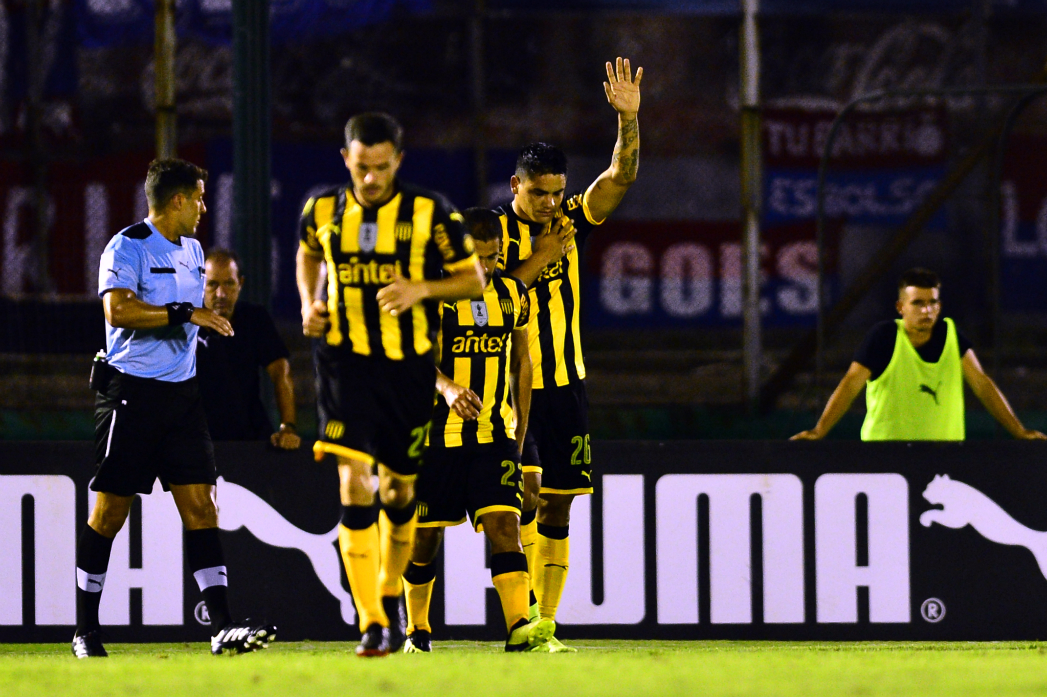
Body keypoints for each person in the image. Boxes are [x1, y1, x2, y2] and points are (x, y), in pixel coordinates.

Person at [296, 112, 484, 657]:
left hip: (407, 369)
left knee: (399, 491)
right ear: (345, 160)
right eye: (361, 167)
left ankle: (387, 595)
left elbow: (473, 278)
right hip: (343, 361)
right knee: (354, 481)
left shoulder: (432, 212)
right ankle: (372, 621)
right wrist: (310, 301)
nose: (371, 179)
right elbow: (308, 253)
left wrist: (419, 289)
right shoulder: (323, 209)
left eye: (381, 168)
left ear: (398, 161)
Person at [74, 159, 276, 659]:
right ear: (178, 200)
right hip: (131, 397)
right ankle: (85, 630)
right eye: (201, 199)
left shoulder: (193, 250)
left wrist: (198, 319)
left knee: (202, 507)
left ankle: (222, 626)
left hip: (182, 399)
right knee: (109, 513)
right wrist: (186, 313)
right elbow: (117, 310)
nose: (206, 208)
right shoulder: (127, 246)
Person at [493, 57, 643, 652]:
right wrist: (538, 257)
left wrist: (628, 121)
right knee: (524, 493)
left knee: (559, 504)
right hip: (510, 388)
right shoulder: (493, 237)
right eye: (538, 193)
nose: (551, 203)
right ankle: (522, 615)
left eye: (557, 193)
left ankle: (547, 626)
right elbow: (485, 301)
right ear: (514, 188)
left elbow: (620, 176)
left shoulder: (574, 220)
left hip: (567, 383)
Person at [400, 208, 554, 653]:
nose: (483, 268)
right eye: (475, 258)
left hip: (494, 435)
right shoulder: (434, 295)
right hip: (435, 437)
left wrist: (520, 437)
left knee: (505, 524)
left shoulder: (513, 294)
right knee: (426, 537)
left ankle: (519, 629)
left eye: (491, 257)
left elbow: (522, 363)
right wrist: (447, 388)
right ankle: (418, 629)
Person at [791, 268, 1047, 442]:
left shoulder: (951, 334)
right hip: (886, 456)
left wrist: (1018, 431)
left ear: (940, 306)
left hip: (944, 456)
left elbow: (982, 384)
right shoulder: (884, 336)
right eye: (917, 303)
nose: (926, 310)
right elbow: (850, 385)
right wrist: (820, 430)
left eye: (932, 303)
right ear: (900, 307)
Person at [196, 248, 301, 450]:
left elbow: (280, 371)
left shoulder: (254, 318)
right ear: (200, 284)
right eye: (212, 284)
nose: (221, 293)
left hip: (251, 440)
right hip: (197, 444)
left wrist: (288, 427)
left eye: (229, 283)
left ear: (240, 284)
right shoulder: (184, 324)